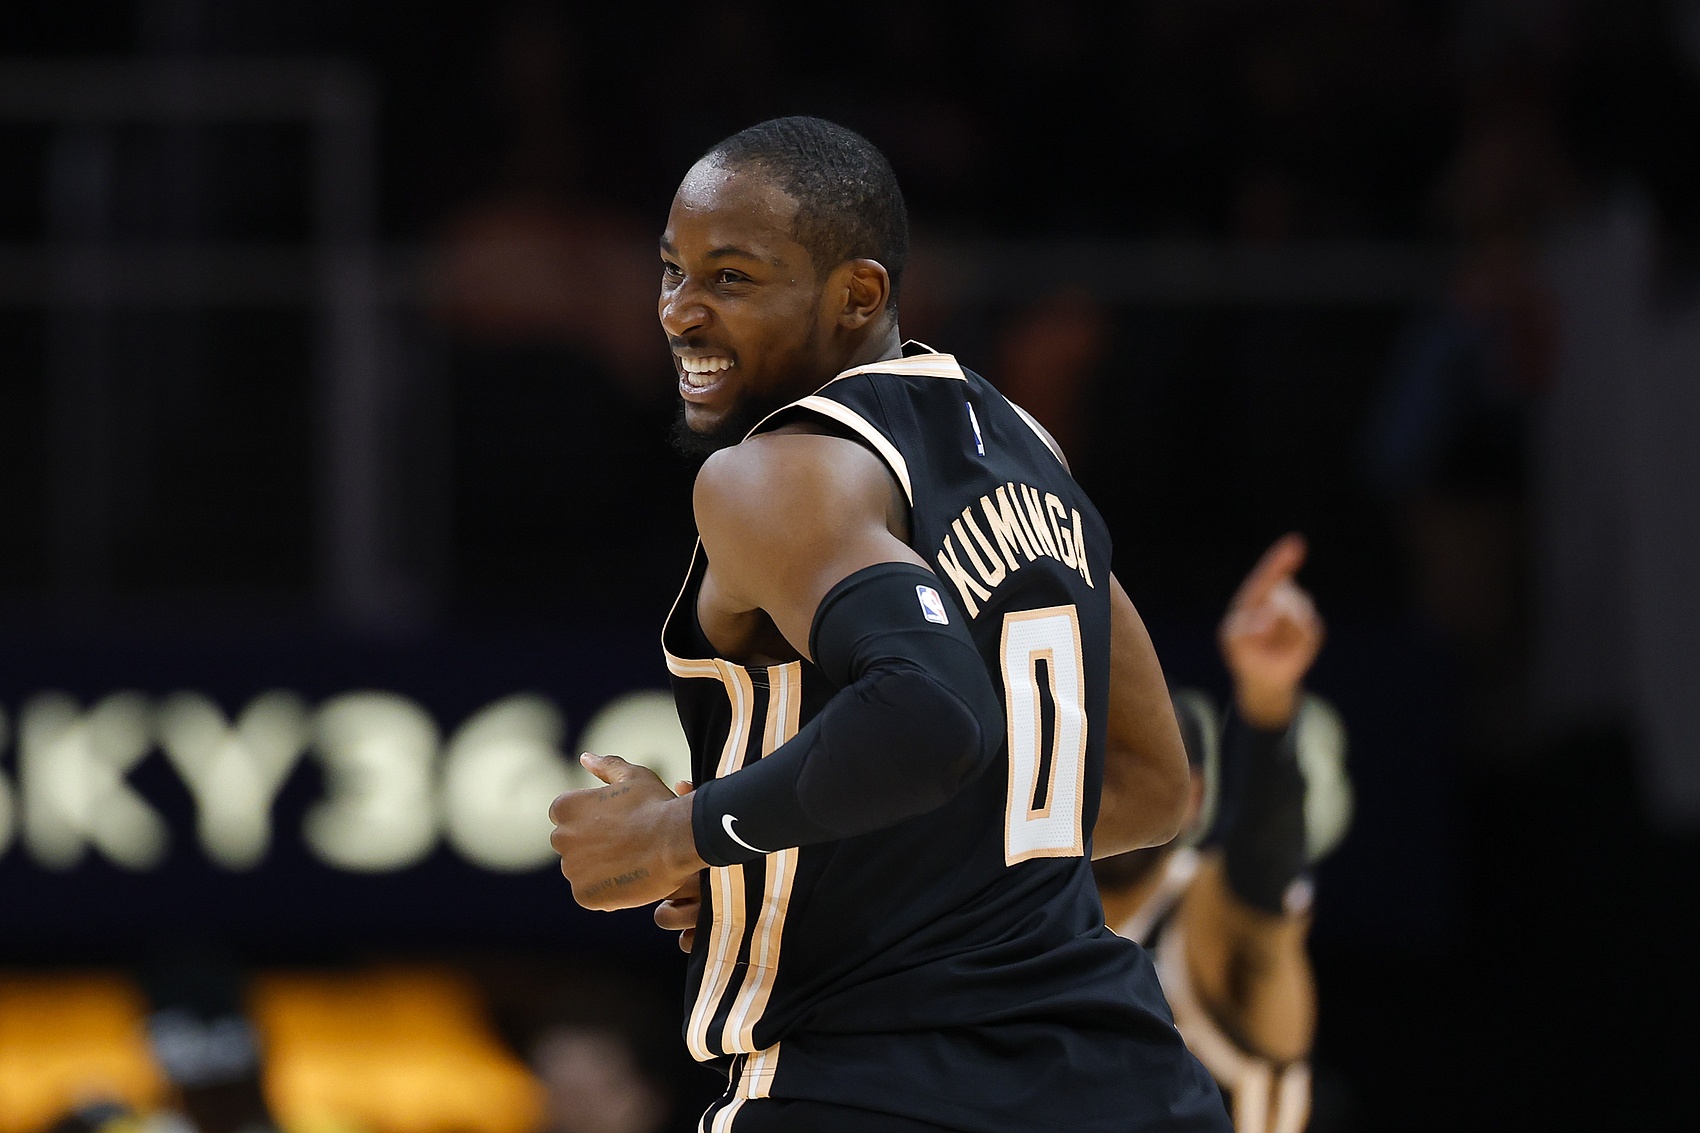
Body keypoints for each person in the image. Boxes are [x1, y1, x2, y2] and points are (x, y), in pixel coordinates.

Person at [548, 115, 1230, 1132]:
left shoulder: (770, 472)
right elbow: (1148, 785)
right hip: (1125, 1084)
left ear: (857, 295)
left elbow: (928, 717)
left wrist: (678, 830)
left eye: (730, 277)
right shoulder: (1025, 446)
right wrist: (785, 860)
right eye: (671, 271)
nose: (680, 310)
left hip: (875, 1081)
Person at [1095, 533, 1347, 1133]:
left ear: (1195, 798)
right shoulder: (1025, 920)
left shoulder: (1206, 920)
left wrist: (1267, 701)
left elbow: (1264, 871)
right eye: (1104, 762)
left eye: (1149, 767)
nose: (1120, 786)